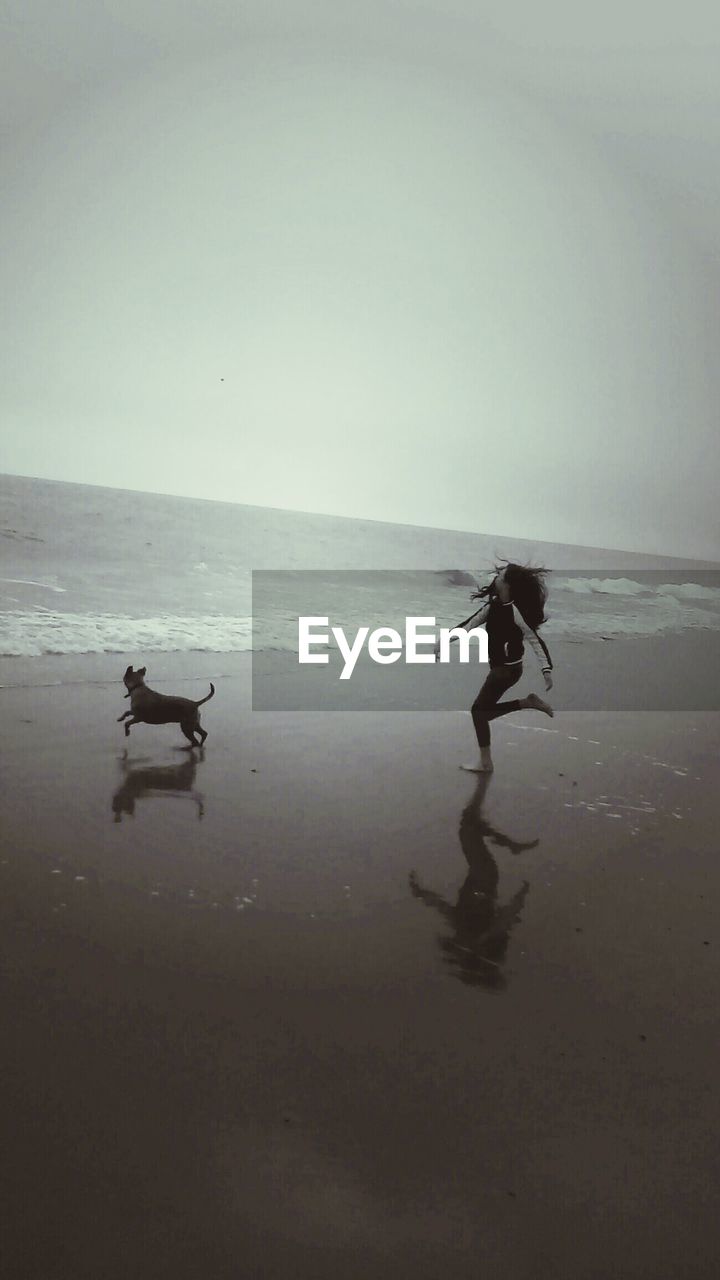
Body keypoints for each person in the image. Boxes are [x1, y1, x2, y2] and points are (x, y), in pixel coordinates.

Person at [436, 562, 554, 773]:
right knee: (483, 713)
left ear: (507, 584)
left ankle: (486, 762)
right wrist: (444, 642)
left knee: (478, 712)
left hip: (505, 672)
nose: (497, 576)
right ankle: (527, 702)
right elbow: (468, 625)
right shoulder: (491, 607)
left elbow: (534, 640)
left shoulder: (515, 612)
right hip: (505, 670)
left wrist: (546, 669)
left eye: (501, 574)